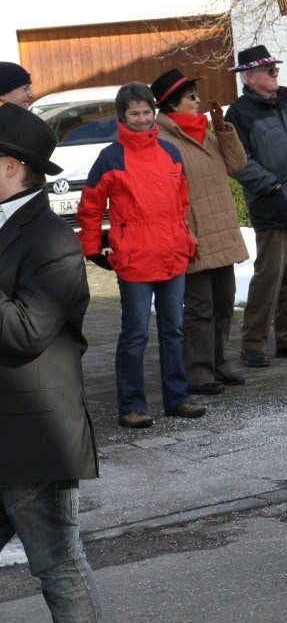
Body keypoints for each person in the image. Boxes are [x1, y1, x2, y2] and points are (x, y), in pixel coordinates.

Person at [0, 103, 118, 623]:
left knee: (56, 563)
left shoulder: (50, 239)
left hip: (33, 432)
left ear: (11, 167)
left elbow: (26, 331)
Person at [77, 82, 206, 427]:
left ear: (154, 113)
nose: (141, 118)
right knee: (135, 334)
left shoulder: (170, 152)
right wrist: (91, 247)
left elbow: (181, 203)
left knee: (174, 330)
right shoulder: (110, 157)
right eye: (134, 113)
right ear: (122, 116)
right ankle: (131, 405)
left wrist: (186, 239)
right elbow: (90, 207)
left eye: (147, 112)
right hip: (134, 258)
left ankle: (177, 398)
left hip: (173, 254)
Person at [224, 45, 287, 367]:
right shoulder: (239, 113)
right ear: (251, 77)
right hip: (272, 205)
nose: (275, 73)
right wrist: (270, 184)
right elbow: (238, 161)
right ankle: (252, 343)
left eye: (275, 68)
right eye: (269, 70)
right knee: (269, 277)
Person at [152, 68, 250, 394]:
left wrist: (223, 130)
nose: (198, 101)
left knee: (224, 302)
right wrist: (185, 233)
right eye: (190, 96)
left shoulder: (206, 133)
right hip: (192, 236)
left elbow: (237, 166)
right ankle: (198, 373)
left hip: (219, 231)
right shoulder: (163, 140)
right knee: (199, 308)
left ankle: (220, 364)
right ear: (172, 104)